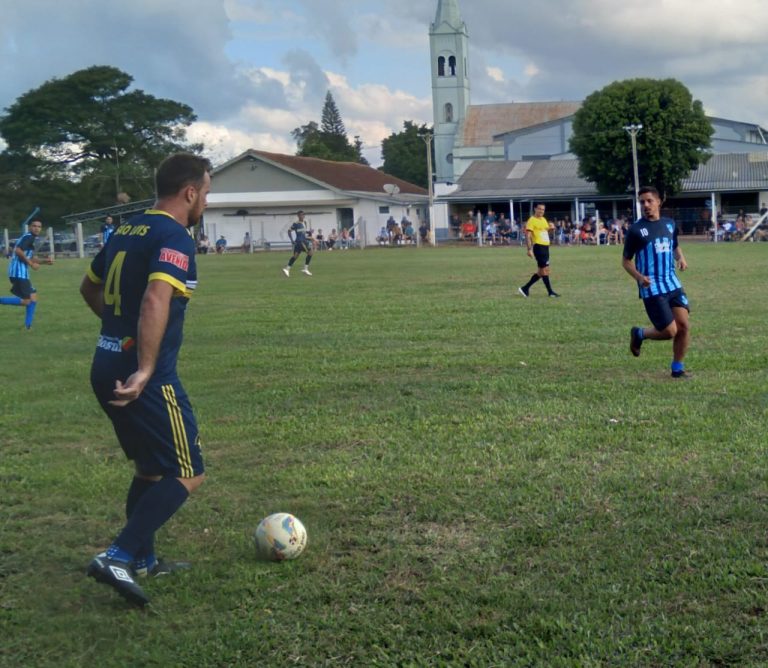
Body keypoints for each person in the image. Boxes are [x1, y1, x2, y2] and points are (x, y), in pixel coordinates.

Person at [79, 153, 211, 606]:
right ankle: (117, 555)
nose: (206, 202)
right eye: (206, 193)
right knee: (188, 472)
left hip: (105, 365)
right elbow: (157, 299)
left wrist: (120, 334)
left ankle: (143, 561)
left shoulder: (126, 229)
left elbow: (89, 287)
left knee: (150, 469)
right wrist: (146, 367)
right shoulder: (174, 236)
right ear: (189, 192)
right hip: (146, 377)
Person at [622, 185, 690, 378]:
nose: (645, 205)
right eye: (642, 202)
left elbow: (674, 245)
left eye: (649, 201)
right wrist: (639, 277)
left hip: (673, 284)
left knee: (684, 327)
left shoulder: (670, 224)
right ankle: (640, 333)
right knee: (669, 331)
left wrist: (681, 258)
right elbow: (625, 261)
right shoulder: (636, 230)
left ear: (659, 202)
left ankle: (677, 369)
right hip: (652, 288)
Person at [0, 219, 51, 329]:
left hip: (20, 273)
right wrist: (31, 264)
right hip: (18, 272)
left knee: (33, 298)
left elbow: (30, 257)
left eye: (39, 226)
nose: (37, 228)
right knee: (27, 301)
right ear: (30, 227)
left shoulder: (30, 239)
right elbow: (18, 251)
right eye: (34, 226)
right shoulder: (29, 237)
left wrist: (44, 262)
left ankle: (27, 326)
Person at [518, 203, 559, 298]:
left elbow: (545, 232)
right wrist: (529, 249)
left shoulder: (543, 219)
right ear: (535, 209)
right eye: (539, 209)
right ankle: (550, 292)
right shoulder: (531, 220)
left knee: (541, 271)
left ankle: (525, 288)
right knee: (544, 270)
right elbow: (528, 236)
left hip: (545, 247)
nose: (541, 211)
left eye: (543, 209)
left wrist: (551, 229)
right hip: (539, 247)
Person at [282, 210, 314, 276]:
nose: (302, 216)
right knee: (310, 253)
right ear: (298, 216)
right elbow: (289, 231)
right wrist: (291, 240)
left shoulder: (305, 222)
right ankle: (305, 269)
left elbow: (302, 231)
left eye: (303, 215)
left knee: (295, 256)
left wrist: (309, 232)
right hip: (301, 241)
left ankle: (287, 269)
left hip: (301, 241)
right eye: (301, 215)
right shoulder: (296, 223)